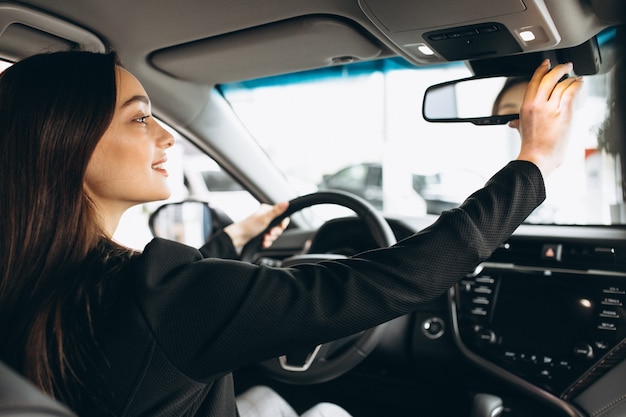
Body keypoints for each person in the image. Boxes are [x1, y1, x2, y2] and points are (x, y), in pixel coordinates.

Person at [0, 51, 582, 417]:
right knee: (328, 409)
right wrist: (534, 162)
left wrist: (231, 245)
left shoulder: (33, 274)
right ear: (67, 142)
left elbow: (173, 316)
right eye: (139, 116)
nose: (166, 136)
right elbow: (397, 279)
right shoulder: (164, 294)